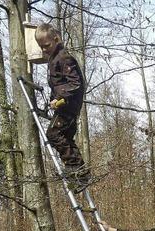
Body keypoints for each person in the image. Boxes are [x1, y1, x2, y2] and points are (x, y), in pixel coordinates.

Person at [34, 23, 89, 192]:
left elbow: (75, 83)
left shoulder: (64, 58)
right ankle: (78, 174)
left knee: (54, 134)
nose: (44, 50)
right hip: (65, 106)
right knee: (65, 137)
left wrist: (59, 97)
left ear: (56, 39)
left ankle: (78, 170)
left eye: (47, 46)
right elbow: (59, 84)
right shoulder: (54, 59)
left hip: (69, 107)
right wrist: (53, 99)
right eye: (41, 47)